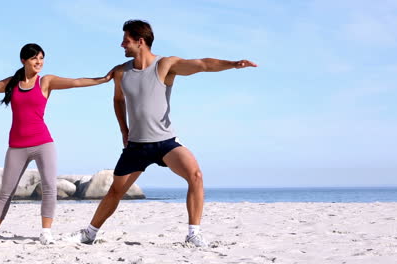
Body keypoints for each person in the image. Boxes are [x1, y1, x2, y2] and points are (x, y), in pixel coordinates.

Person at [63, 20, 257, 247]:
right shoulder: (120, 72)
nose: (121, 44)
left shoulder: (165, 65)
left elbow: (203, 64)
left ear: (140, 41)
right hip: (136, 145)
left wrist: (233, 64)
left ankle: (193, 234)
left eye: (126, 40)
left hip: (165, 142)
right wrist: (123, 129)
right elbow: (118, 99)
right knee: (115, 191)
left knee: (196, 176)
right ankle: (90, 233)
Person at [0, 43, 113, 244]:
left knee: (49, 188)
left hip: (43, 144)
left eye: (41, 58)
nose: (39, 62)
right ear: (24, 60)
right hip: (16, 146)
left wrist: (104, 79)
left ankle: (46, 233)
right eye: (34, 58)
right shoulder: (13, 83)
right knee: (6, 191)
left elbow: (76, 82)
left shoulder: (46, 82)